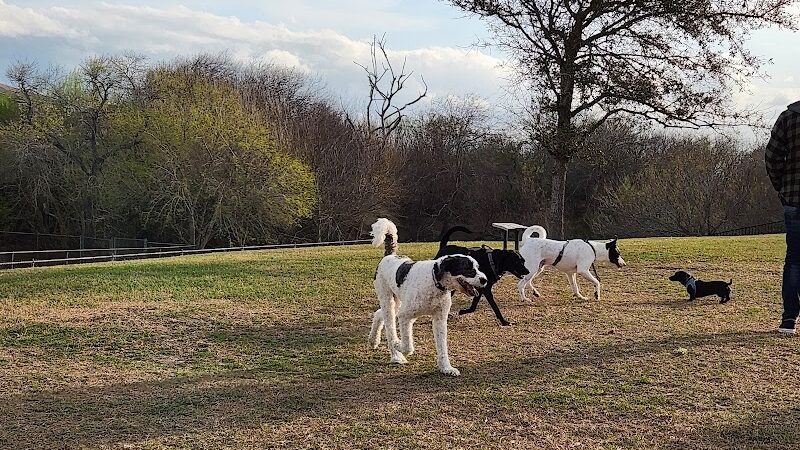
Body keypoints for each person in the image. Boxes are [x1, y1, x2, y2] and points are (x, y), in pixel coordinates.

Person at [765, 100, 800, 334]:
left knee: (794, 260)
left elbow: (772, 157)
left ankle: (789, 319)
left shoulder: (788, 118)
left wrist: (782, 186)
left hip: (794, 198)